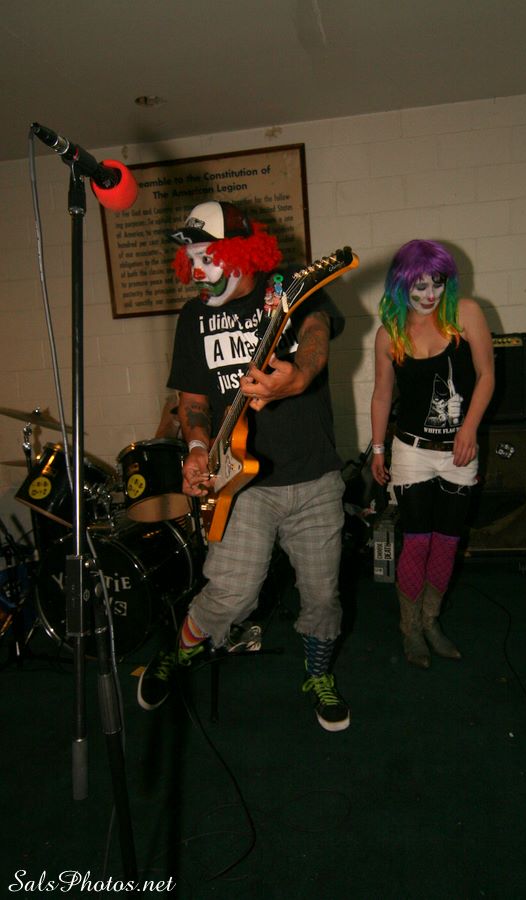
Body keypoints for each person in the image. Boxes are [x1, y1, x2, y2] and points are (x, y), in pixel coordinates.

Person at [137, 200, 350, 732]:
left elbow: (317, 332)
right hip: (240, 483)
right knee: (231, 592)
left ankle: (318, 674)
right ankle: (179, 652)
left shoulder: (286, 288)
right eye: (192, 259)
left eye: (208, 258)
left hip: (314, 475)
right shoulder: (193, 317)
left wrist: (298, 378)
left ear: (243, 252)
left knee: (322, 595)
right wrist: (195, 447)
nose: (198, 271)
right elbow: (192, 398)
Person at [370, 239, 494, 668]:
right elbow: (382, 394)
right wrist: (378, 448)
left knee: (447, 542)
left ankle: (431, 620)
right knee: (417, 541)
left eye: (437, 284)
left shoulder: (466, 314)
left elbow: (486, 374)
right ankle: (410, 629)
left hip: (459, 450)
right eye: (419, 286)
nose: (429, 295)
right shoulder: (389, 334)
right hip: (412, 451)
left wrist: (469, 428)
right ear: (401, 285)